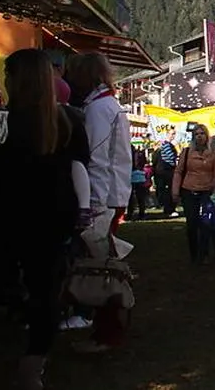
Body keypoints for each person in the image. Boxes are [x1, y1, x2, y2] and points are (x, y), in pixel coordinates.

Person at [0, 49, 91, 390]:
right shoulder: (68, 122)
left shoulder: (4, 124)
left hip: (11, 216)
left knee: (19, 286)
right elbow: (81, 165)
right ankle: (33, 364)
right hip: (53, 217)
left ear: (18, 80)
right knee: (46, 291)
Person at [65, 52, 133, 351]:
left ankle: (106, 331)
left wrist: (91, 203)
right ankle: (107, 327)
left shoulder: (98, 109)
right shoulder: (109, 105)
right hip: (111, 195)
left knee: (101, 267)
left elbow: (96, 159)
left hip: (103, 197)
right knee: (105, 264)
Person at [172, 123, 215, 264]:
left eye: (202, 133)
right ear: (193, 137)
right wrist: (175, 191)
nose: (199, 136)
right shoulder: (187, 152)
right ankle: (194, 254)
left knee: (206, 224)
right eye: (197, 134)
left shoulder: (214, 155)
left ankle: (204, 253)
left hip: (207, 192)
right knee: (192, 224)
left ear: (206, 136)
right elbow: (178, 172)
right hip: (189, 190)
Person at [152, 125, 180, 218]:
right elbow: (171, 158)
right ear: (167, 134)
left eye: (174, 134)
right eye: (172, 134)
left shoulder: (164, 144)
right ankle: (169, 209)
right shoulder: (167, 144)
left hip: (165, 171)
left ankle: (168, 209)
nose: (173, 136)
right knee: (169, 191)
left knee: (168, 191)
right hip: (167, 171)